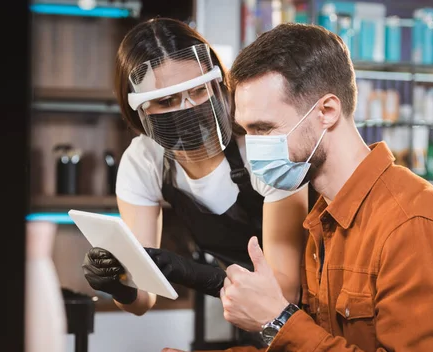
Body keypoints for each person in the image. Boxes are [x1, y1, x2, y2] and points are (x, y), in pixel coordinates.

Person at [144, 23, 433, 352]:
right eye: (247, 132)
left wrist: (277, 321)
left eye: (265, 129)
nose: (253, 149)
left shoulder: (412, 226)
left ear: (326, 111)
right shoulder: (323, 220)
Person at [81, 18, 308, 320]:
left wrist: (194, 274)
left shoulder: (260, 146)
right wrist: (122, 286)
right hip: (253, 315)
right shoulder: (145, 162)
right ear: (138, 108)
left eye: (198, 91)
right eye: (166, 100)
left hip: (314, 306)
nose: (187, 108)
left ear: (217, 82)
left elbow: (286, 292)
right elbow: (143, 299)